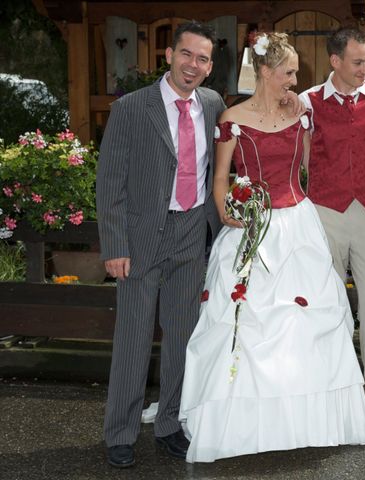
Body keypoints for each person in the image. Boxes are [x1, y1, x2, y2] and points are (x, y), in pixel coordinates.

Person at [179, 32, 365, 463]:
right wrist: (226, 211)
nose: (294, 79)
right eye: (288, 72)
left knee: (303, 322)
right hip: (252, 226)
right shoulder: (233, 117)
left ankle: (305, 423)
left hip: (297, 224)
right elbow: (221, 175)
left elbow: (306, 168)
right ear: (265, 72)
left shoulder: (301, 114)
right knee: (243, 323)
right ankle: (240, 428)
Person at [96, 21, 226, 468]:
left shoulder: (212, 105)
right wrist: (115, 245)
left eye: (203, 58)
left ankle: (170, 424)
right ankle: (120, 433)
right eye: (187, 54)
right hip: (140, 239)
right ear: (169, 55)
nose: (194, 65)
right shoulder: (132, 108)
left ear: (210, 68)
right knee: (132, 338)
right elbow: (109, 181)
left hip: (192, 234)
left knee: (181, 340)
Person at [299, 27, 365, 431]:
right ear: (335, 61)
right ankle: (333, 391)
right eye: (358, 61)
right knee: (328, 305)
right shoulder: (307, 102)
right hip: (324, 211)